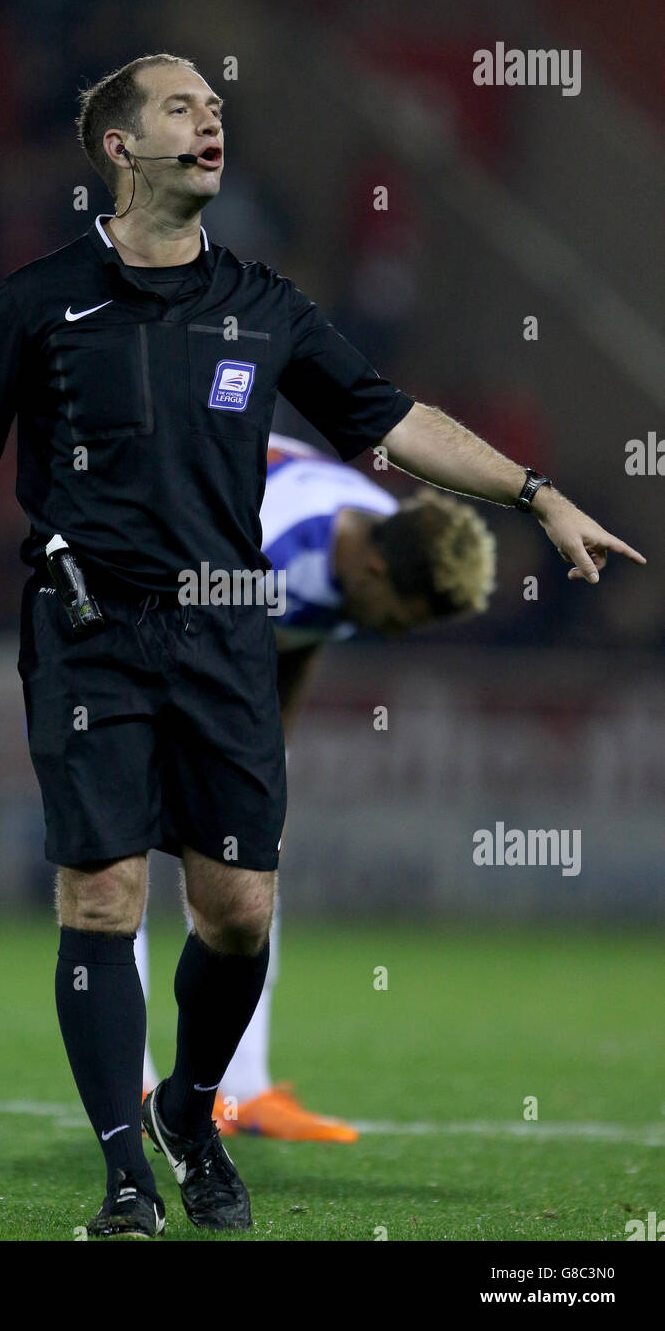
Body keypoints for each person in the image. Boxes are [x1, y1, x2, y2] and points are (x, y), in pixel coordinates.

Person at [0, 54, 645, 1239]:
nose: (210, 120)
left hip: (223, 631)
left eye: (216, 106)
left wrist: (531, 492)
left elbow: (392, 421)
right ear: (119, 147)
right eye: (181, 107)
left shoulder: (267, 306)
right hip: (87, 632)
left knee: (235, 911)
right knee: (104, 894)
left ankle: (188, 1101)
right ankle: (126, 1173)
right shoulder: (32, 305)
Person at [137, 431, 497, 1142]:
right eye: (408, 616)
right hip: (149, 601)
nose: (399, 634)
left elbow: (299, 642)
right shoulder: (271, 548)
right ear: (373, 570)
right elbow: (175, 634)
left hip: (218, 607)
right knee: (124, 863)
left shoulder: (373, 539)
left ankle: (244, 1093)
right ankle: (136, 1086)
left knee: (251, 865)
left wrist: (268, 767)